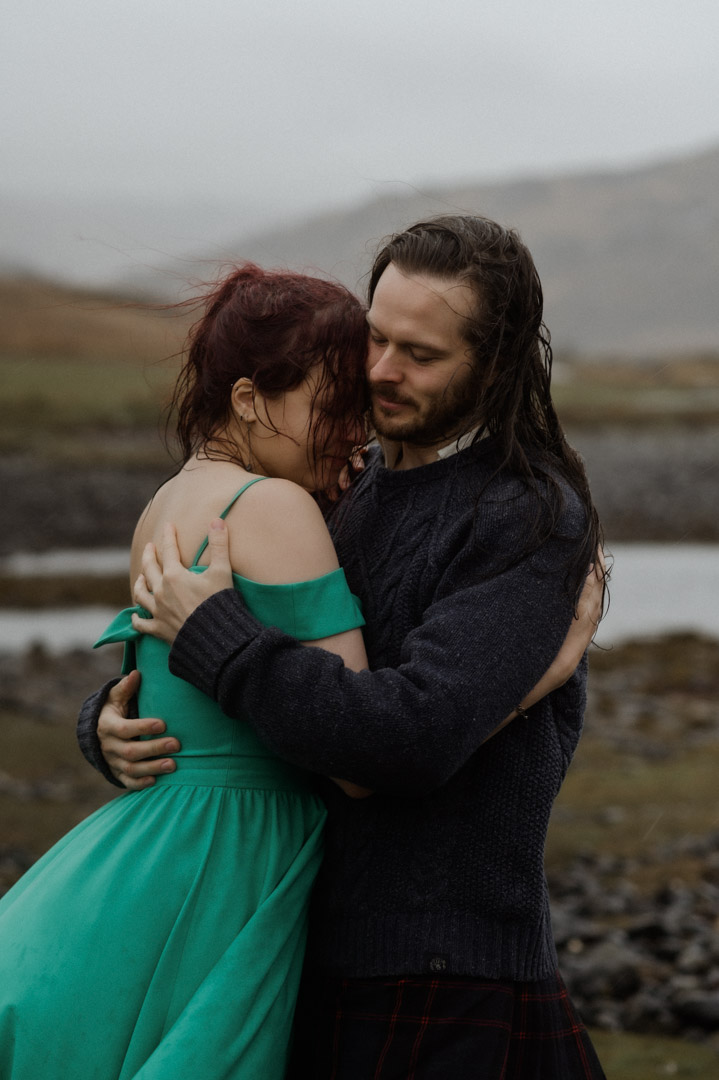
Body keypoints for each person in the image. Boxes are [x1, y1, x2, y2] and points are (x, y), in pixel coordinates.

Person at [81, 216, 608, 1078]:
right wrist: (110, 719)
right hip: (294, 948)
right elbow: (239, 685)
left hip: (441, 969)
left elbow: (407, 737)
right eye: (375, 337)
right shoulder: (332, 488)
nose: (378, 371)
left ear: (498, 361)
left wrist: (215, 633)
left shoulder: (523, 516)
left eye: (421, 354)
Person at [0, 265, 376, 1079]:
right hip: (235, 856)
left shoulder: (166, 503)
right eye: (333, 404)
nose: (356, 431)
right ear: (249, 400)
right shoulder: (274, 507)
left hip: (151, 846)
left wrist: (98, 724)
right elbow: (354, 748)